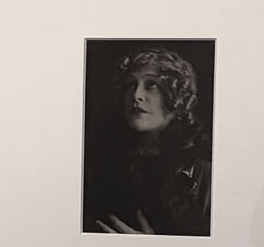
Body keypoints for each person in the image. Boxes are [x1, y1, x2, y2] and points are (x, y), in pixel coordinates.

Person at [84, 47, 212, 236]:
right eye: (130, 85)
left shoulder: (199, 173)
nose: (136, 96)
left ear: (176, 97)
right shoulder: (101, 166)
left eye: (151, 84)